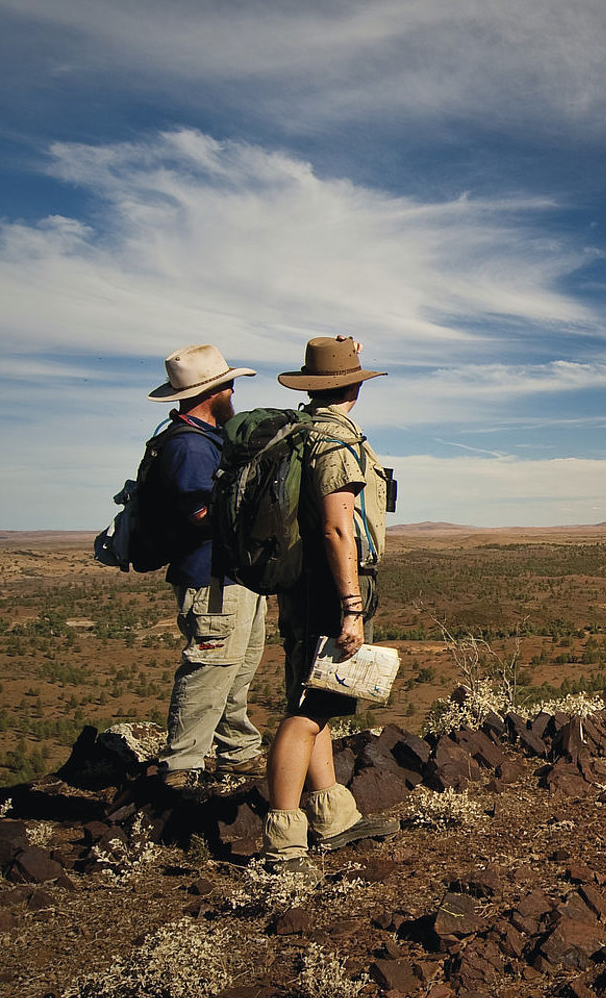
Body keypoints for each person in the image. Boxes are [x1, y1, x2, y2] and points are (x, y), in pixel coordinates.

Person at [258, 335, 400, 871]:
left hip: (303, 583)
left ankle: (331, 815)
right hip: (328, 585)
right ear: (355, 388)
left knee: (318, 701)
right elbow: (340, 528)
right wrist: (352, 606)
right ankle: (284, 837)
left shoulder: (301, 433)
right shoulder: (335, 443)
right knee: (304, 712)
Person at [147, 345, 269, 790]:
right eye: (227, 384)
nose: (233, 390)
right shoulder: (189, 445)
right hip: (212, 579)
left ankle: (235, 751)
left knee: (238, 667)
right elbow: (200, 515)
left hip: (235, 575)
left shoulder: (204, 438)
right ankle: (181, 765)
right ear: (212, 391)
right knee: (210, 668)